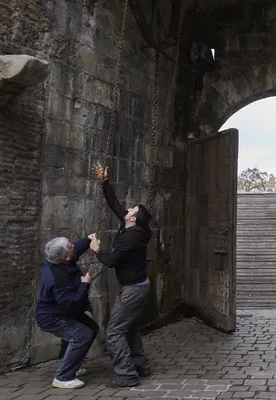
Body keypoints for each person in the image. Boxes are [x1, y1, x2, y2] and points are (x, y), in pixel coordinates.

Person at [92, 162, 153, 388]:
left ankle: (127, 374)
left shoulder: (130, 238)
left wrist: (97, 247)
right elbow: (115, 205)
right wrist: (104, 182)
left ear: (133, 219)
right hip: (137, 287)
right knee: (129, 327)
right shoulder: (132, 228)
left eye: (132, 210)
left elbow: (110, 261)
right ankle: (140, 365)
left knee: (114, 332)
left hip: (133, 291)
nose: (128, 209)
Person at [35, 234, 101, 389]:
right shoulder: (57, 279)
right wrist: (85, 284)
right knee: (82, 335)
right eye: (70, 247)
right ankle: (63, 376)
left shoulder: (62, 259)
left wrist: (88, 239)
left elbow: (75, 249)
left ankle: (71, 364)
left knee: (92, 328)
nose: (73, 246)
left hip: (62, 312)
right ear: (65, 257)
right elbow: (72, 304)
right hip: (52, 317)